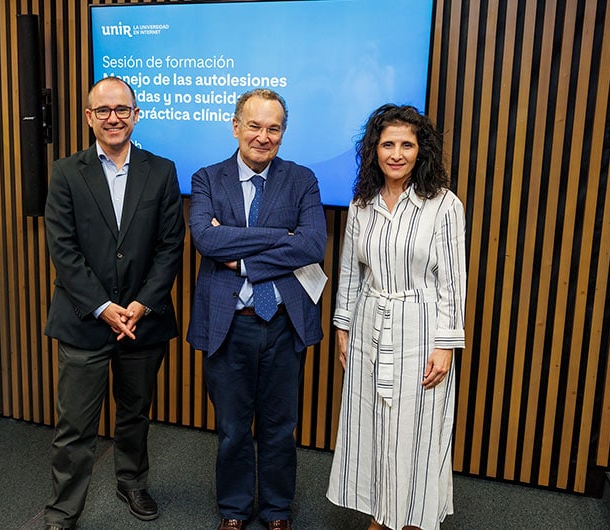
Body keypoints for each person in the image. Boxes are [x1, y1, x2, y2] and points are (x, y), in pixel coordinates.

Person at [42, 76, 185, 530]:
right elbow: (63, 251)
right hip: (85, 320)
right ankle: (64, 510)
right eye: (103, 111)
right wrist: (104, 307)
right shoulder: (66, 172)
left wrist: (141, 304)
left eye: (122, 109)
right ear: (89, 118)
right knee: (75, 427)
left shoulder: (161, 170)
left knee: (135, 413)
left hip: (143, 321)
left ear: (136, 114)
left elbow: (170, 245)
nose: (113, 118)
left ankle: (132, 481)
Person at [187, 88, 328, 530]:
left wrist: (241, 254)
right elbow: (205, 241)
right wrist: (279, 237)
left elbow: (312, 245)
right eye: (254, 125)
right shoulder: (207, 178)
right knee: (231, 429)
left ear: (283, 134)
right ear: (236, 126)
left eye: (274, 128)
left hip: (284, 324)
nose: (263, 136)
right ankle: (233, 509)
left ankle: (276, 509)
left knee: (279, 427)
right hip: (229, 324)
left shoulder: (302, 179)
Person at [327, 104, 467, 530]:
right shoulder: (362, 203)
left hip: (421, 331)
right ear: (374, 150)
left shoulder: (443, 205)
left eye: (407, 144)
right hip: (370, 324)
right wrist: (342, 327)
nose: (397, 153)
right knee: (373, 425)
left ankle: (410, 519)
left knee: (415, 430)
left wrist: (445, 345)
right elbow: (351, 271)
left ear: (421, 150)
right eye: (388, 144)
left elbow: (452, 282)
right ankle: (379, 515)